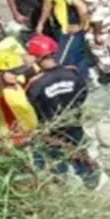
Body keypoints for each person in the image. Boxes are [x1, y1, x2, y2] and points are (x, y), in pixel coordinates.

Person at [24, 35, 99, 181]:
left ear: (36, 58)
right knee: (78, 147)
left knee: (56, 156)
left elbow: (31, 106)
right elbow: (83, 93)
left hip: (51, 126)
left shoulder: (35, 84)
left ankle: (61, 179)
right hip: (74, 120)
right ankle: (89, 176)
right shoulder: (72, 73)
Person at [29, 0, 94, 77]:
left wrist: (81, 26)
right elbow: (47, 2)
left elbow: (82, 8)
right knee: (77, 52)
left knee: (62, 59)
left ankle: (75, 79)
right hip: (62, 20)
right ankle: (84, 74)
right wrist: (41, 24)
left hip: (72, 20)